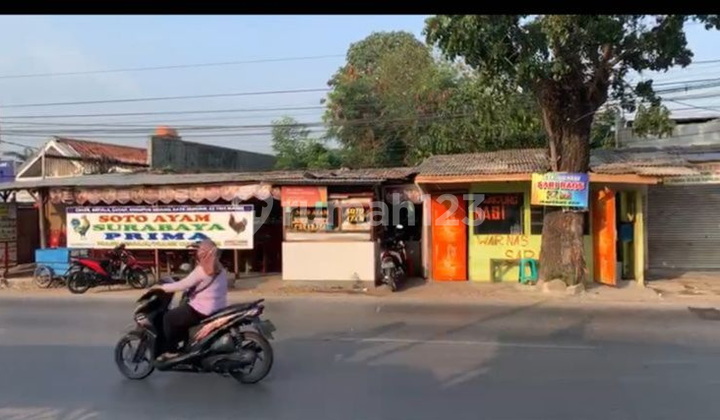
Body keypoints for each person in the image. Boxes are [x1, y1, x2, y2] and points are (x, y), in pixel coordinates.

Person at [155, 239, 228, 361]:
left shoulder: (202, 270)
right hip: (218, 308)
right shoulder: (220, 268)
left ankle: (171, 351)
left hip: (201, 310)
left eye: (200, 251)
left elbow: (183, 285)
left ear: (204, 254)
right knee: (181, 316)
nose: (197, 254)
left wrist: (161, 288)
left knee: (169, 318)